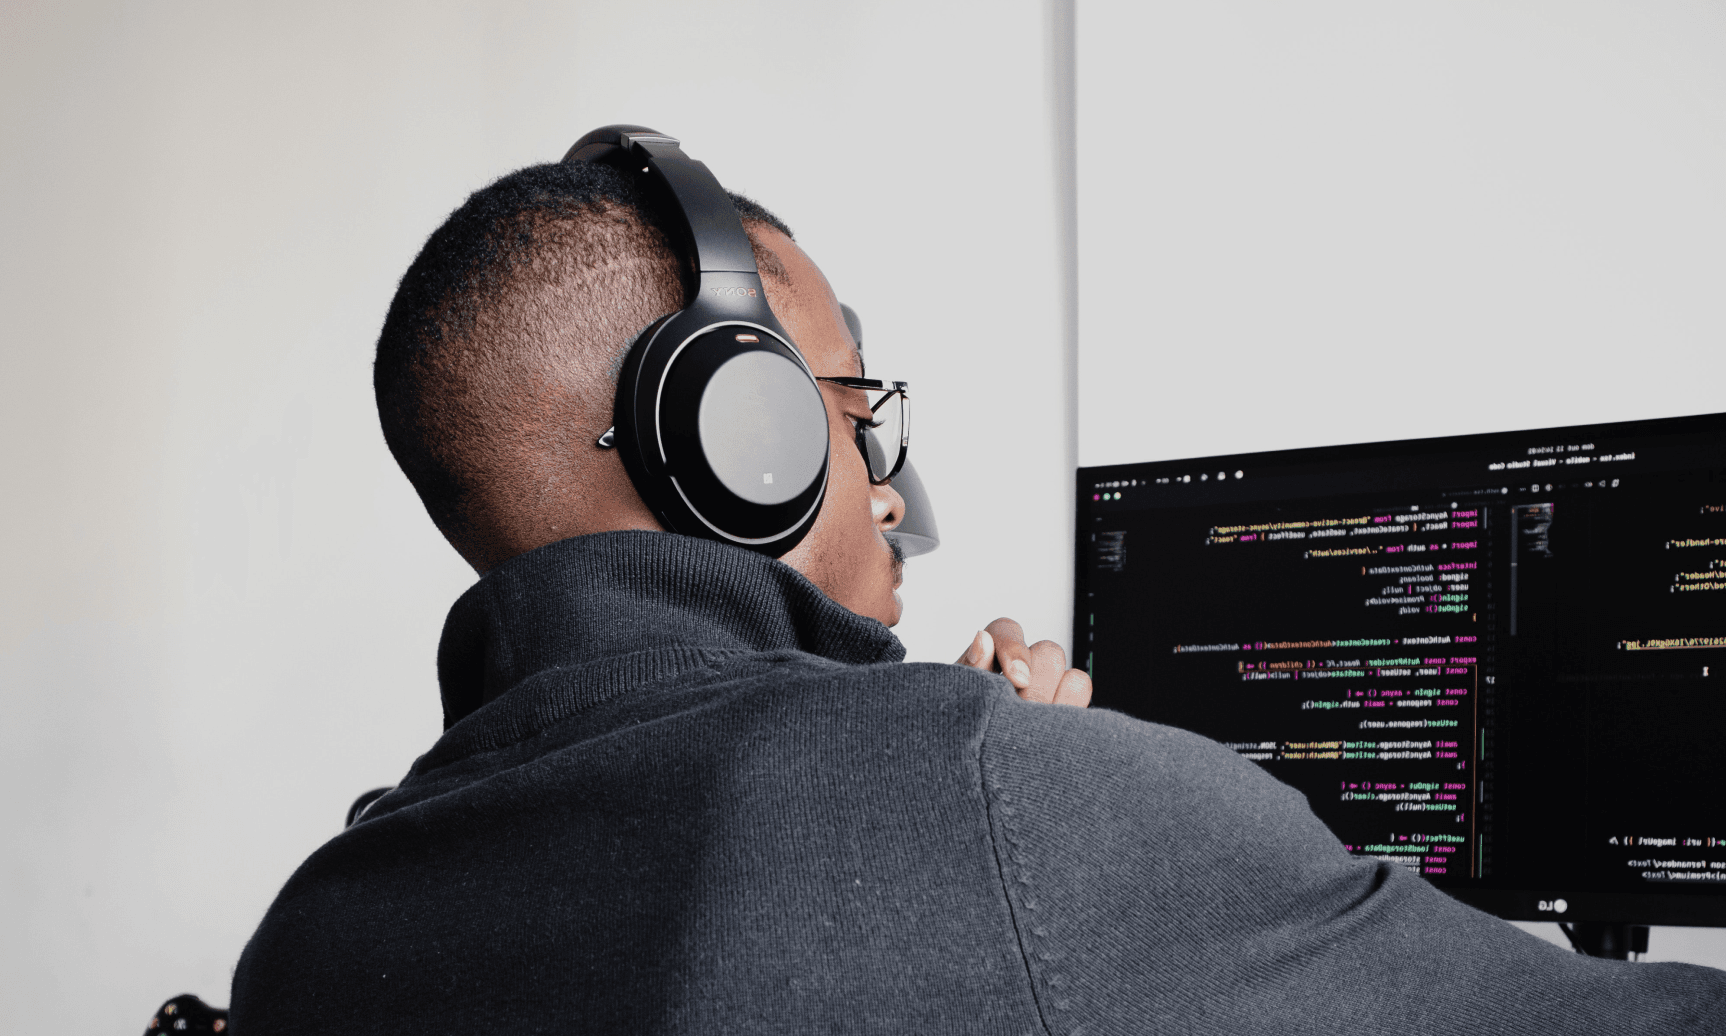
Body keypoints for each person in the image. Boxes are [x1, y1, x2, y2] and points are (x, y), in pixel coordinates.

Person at [230, 138, 1726, 1034]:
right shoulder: (1014, 804)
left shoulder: (312, 932)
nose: (887, 486)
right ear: (731, 432)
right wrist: (1033, 802)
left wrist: (969, 799)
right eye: (852, 406)